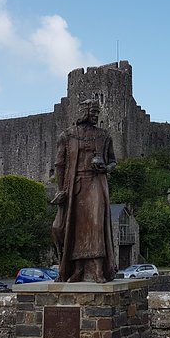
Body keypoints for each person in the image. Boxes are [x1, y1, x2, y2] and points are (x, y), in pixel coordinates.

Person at [51, 99, 117, 283]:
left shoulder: (104, 136)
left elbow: (113, 161)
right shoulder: (68, 136)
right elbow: (60, 164)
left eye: (97, 112)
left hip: (96, 183)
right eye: (93, 112)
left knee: (95, 224)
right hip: (75, 185)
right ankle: (78, 269)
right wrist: (61, 190)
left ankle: (97, 268)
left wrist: (105, 168)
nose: (96, 115)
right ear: (84, 112)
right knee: (76, 226)